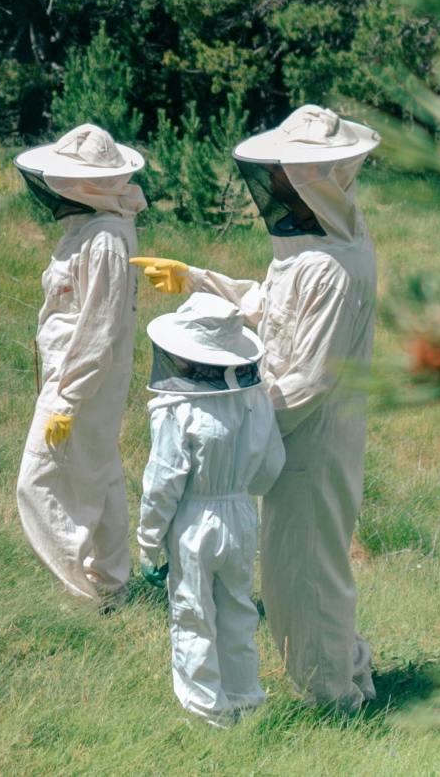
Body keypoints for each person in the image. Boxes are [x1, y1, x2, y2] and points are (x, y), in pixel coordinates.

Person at [129, 104, 380, 710]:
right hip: (294, 435)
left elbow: (309, 379)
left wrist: (241, 425)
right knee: (301, 569)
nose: (275, 188)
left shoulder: (335, 266)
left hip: (313, 442)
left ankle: (331, 702)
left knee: (304, 577)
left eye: (286, 177)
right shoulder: (311, 248)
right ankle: (351, 678)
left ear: (313, 181)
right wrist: (196, 278)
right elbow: (271, 306)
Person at [11, 124, 146, 603]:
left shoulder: (105, 239)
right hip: (84, 379)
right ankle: (111, 582)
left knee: (37, 482)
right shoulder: (93, 229)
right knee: (100, 469)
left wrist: (66, 399)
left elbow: (98, 329)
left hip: (81, 383)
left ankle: (79, 592)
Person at [138, 292, 284, 727]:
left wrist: (149, 542)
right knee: (237, 611)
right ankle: (244, 699)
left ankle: (205, 712)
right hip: (241, 517)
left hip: (193, 519)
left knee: (192, 614)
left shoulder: (177, 407)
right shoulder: (254, 399)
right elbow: (271, 465)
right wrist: (239, 491)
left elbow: (162, 482)